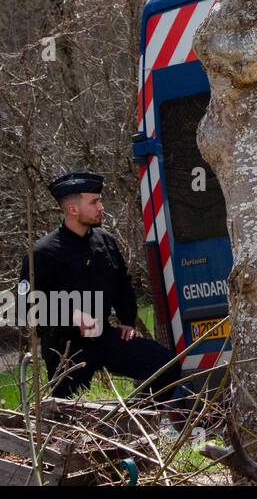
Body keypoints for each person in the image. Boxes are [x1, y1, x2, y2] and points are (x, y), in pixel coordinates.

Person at [20, 170, 191, 410]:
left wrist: (128, 320)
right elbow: (25, 305)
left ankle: (131, 420)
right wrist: (70, 316)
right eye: (94, 202)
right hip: (66, 348)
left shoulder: (105, 241)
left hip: (104, 336)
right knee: (66, 411)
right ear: (73, 210)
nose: (101, 207)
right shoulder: (42, 252)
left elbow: (123, 283)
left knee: (166, 366)